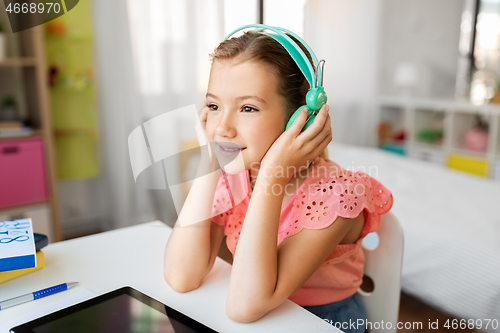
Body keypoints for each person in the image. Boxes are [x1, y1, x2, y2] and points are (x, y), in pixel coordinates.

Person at [163, 29, 393, 333]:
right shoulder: (236, 177)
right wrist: (209, 164)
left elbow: (245, 306)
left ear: (301, 117)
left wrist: (273, 175)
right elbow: (181, 276)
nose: (222, 128)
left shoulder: (336, 195)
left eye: (248, 108)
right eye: (214, 106)